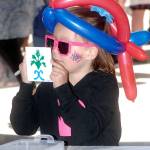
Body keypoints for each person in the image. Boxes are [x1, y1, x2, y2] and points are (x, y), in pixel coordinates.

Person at [10, 7, 121, 146]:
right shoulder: (47, 87)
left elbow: (86, 132)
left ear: (90, 52)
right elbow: (23, 128)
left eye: (63, 46)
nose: (54, 51)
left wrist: (62, 89)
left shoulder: (103, 84)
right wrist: (26, 86)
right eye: (52, 42)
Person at [0, 0, 44, 83]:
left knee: (17, 63)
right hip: (18, 28)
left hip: (13, 30)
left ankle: (28, 86)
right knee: (17, 62)